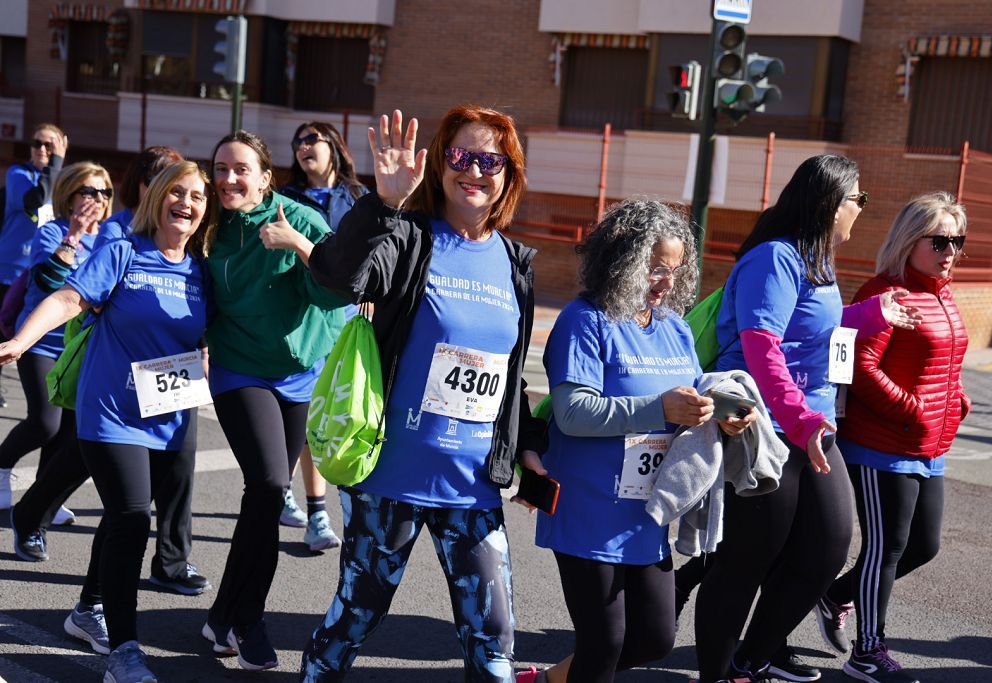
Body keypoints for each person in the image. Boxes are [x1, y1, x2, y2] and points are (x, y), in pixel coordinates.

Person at [293, 106, 546, 682]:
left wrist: (525, 447)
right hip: (391, 477)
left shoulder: (514, 264)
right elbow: (334, 277)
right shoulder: (407, 237)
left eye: (491, 160)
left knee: (494, 637)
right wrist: (383, 203)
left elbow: (508, 376)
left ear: (510, 174)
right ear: (440, 163)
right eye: (460, 156)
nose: (474, 171)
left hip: (473, 485)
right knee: (356, 617)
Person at [694, 154, 922, 683]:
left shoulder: (815, 260)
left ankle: (754, 657)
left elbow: (809, 330)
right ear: (828, 202)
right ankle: (719, 673)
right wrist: (799, 420)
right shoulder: (774, 258)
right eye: (857, 199)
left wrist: (869, 315)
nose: (861, 209)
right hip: (762, 428)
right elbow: (762, 346)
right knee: (747, 560)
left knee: (825, 550)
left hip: (810, 425)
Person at [519, 199, 755, 683]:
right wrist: (658, 408)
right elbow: (573, 412)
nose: (665, 282)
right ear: (620, 260)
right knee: (602, 644)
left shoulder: (673, 327)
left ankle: (546, 681)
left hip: (648, 510)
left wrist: (720, 415)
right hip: (588, 507)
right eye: (653, 268)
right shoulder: (584, 320)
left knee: (653, 638)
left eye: (674, 269)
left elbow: (689, 396)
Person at [0, 159, 213, 683]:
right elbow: (70, 297)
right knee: (133, 516)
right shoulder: (123, 250)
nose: (186, 203)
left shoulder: (202, 269)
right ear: (157, 196)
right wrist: (22, 340)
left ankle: (86, 607)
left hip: (168, 411)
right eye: (177, 192)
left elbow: (209, 337)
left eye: (198, 198)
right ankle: (124, 652)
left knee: (124, 520)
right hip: (111, 411)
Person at [201, 130, 347, 671]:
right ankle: (248, 620)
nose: (228, 179)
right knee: (266, 484)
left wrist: (300, 248)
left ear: (266, 177)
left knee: (262, 499)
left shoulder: (302, 220)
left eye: (241, 170)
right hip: (238, 367)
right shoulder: (208, 225)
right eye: (220, 169)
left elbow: (340, 290)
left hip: (297, 374)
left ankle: (220, 614)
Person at [815, 192, 969, 683]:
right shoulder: (884, 293)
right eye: (941, 240)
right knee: (887, 548)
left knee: (925, 546)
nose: (950, 251)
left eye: (958, 241)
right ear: (910, 239)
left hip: (930, 444)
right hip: (882, 445)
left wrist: (957, 397)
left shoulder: (942, 292)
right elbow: (859, 368)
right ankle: (868, 651)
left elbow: (947, 359)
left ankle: (835, 594)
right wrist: (914, 407)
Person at [0, 161, 112, 524]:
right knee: (45, 422)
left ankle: (43, 495)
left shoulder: (111, 239)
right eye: (89, 191)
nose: (97, 199)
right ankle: (1, 467)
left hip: (80, 348)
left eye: (104, 192)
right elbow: (49, 283)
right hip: (41, 342)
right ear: (69, 193)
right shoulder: (51, 232)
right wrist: (74, 236)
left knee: (67, 433)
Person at [276, 120, 366, 550]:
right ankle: (310, 509)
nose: (302, 147)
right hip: (304, 316)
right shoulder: (285, 198)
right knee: (307, 413)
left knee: (337, 409)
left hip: (347, 317)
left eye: (311, 139)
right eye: (297, 142)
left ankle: (317, 499)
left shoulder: (358, 197)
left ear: (334, 146)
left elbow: (373, 253)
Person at [0, 124, 67, 415]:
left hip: (40, 276)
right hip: (9, 272)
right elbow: (35, 201)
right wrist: (56, 163)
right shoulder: (19, 174)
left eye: (49, 146)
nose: (41, 150)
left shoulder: (64, 181)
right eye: (36, 143)